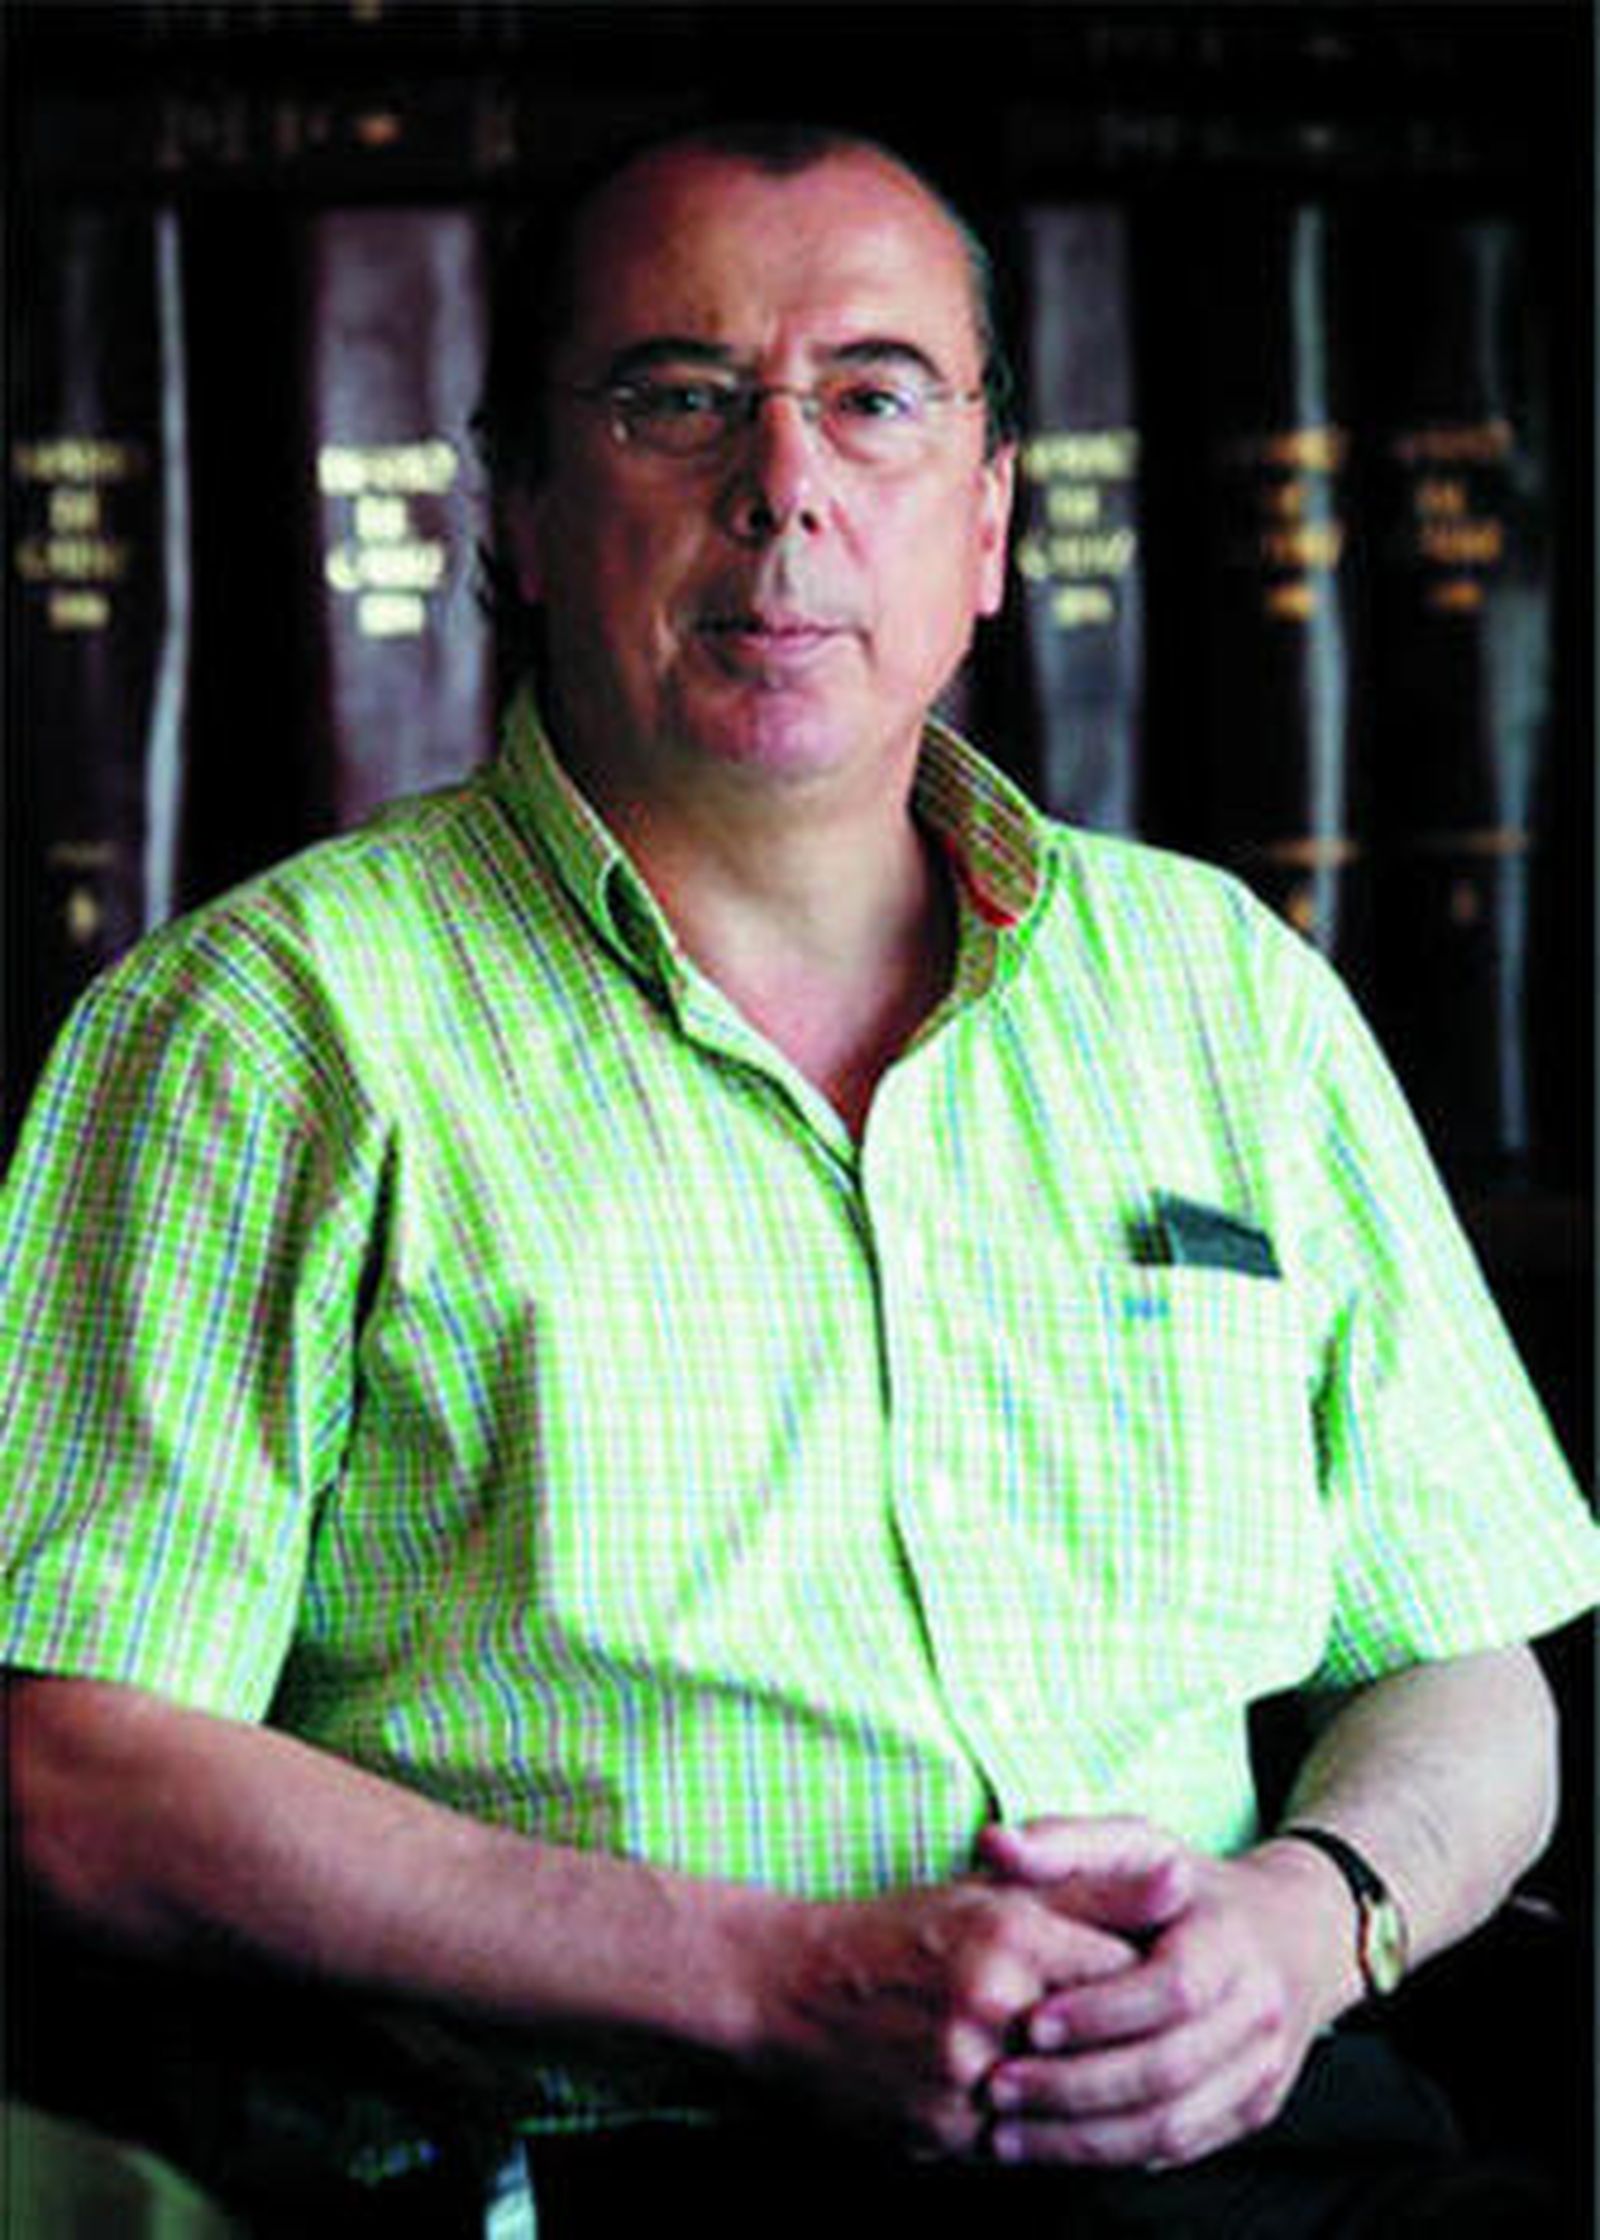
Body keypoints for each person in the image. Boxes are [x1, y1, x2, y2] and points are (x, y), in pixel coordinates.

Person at [4, 122, 1598, 2239]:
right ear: (525, 513)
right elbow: (72, 1766)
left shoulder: (1222, 991)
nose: (783, 487)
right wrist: (756, 1979)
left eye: (873, 396)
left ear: (990, 520)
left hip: (1264, 2148)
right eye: (676, 399)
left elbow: (1468, 1665)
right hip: (608, 2174)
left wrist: (1308, 1923)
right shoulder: (268, 1027)